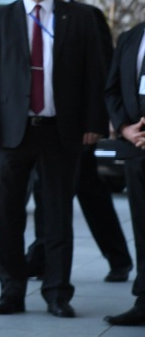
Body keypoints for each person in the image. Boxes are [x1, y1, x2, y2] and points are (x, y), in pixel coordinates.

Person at [0, 0, 107, 318]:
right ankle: (11, 291)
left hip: (60, 133)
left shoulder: (78, 18)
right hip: (10, 134)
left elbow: (94, 74)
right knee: (8, 216)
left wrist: (94, 123)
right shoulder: (0, 18)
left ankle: (57, 293)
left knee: (57, 217)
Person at [25, 0, 132, 283]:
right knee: (50, 196)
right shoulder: (27, 17)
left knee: (90, 194)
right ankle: (42, 257)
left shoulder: (87, 16)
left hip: (78, 130)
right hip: (44, 128)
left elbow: (102, 72)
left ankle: (119, 259)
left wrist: (96, 122)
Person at [103, 20, 145, 326]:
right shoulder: (131, 37)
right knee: (142, 229)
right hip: (135, 149)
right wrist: (124, 128)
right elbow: (112, 88)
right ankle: (144, 300)